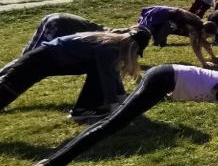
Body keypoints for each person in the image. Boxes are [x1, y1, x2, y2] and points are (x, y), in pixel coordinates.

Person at [26, 63, 218, 166]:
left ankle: (52, 165)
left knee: (111, 122)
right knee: (112, 124)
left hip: (163, 74)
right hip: (162, 78)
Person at [0, 29, 150, 123]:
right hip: (38, 61)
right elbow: (107, 80)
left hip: (49, 62)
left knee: (98, 69)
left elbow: (112, 74)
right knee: (7, 90)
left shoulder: (110, 43)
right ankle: (84, 110)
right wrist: (116, 111)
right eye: (137, 53)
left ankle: (83, 110)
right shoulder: (108, 49)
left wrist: (123, 102)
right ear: (132, 47)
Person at [138, 6, 218, 67]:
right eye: (208, 36)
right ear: (203, 30)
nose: (207, 38)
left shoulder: (200, 26)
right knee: (142, 36)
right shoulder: (194, 29)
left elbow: (204, 42)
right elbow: (196, 47)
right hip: (159, 16)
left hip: (168, 17)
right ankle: (130, 57)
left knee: (152, 37)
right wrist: (204, 63)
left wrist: (213, 56)